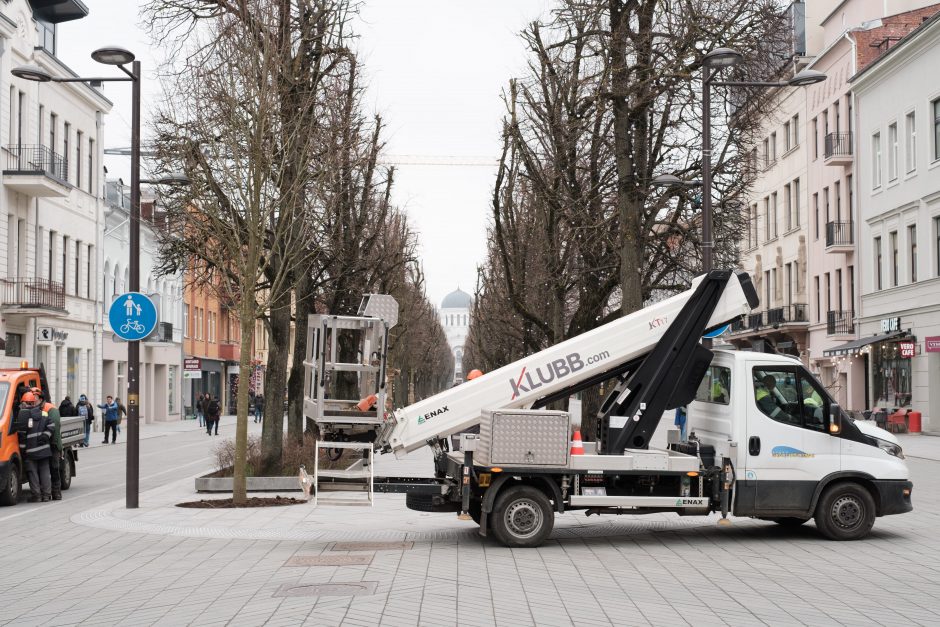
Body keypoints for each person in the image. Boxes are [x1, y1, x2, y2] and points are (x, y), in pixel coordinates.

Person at [16, 391, 55, 502]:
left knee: (33, 473)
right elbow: (52, 425)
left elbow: (22, 435)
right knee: (45, 472)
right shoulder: (43, 412)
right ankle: (47, 495)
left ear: (25, 403)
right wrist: (45, 436)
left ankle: (37, 496)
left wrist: (22, 450)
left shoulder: (23, 416)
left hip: (31, 451)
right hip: (44, 449)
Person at [32, 388, 63, 500]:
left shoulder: (51, 409)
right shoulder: (34, 409)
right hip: (41, 444)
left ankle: (56, 492)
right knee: (43, 469)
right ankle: (45, 492)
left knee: (54, 467)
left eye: (34, 398)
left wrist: (48, 440)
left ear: (41, 399)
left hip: (53, 443)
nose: (32, 400)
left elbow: (54, 427)